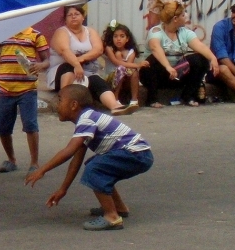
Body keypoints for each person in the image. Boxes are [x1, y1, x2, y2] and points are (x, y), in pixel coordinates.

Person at [24, 84, 154, 231]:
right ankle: (119, 208)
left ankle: (112, 217)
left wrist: (42, 170)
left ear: (74, 105)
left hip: (136, 154)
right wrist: (63, 189)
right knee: (95, 165)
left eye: (60, 100)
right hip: (138, 153)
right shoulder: (86, 120)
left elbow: (69, 151)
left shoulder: (87, 119)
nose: (57, 104)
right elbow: (76, 159)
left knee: (95, 169)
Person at [0, 27, 49, 173]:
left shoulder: (36, 35)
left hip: (27, 88)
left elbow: (47, 59)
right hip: (5, 88)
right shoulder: (3, 33)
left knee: (30, 125)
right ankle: (11, 159)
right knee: (3, 128)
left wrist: (41, 65)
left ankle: (34, 163)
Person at [46, 4, 136, 115]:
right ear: (65, 19)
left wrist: (81, 59)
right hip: (62, 72)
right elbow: (65, 51)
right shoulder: (61, 32)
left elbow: (98, 50)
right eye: (70, 15)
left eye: (77, 14)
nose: (74, 17)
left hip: (86, 71)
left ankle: (115, 106)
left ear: (83, 17)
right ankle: (64, 104)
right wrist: (77, 65)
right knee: (68, 67)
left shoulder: (89, 31)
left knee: (97, 81)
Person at [139, 0, 220, 108]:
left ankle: (187, 96)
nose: (186, 16)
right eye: (183, 14)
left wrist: (213, 58)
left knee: (201, 59)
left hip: (176, 75)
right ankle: (152, 99)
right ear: (175, 19)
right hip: (156, 76)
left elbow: (200, 46)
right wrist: (168, 66)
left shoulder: (184, 32)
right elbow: (155, 48)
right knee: (152, 59)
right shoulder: (156, 31)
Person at [102, 21, 147, 111]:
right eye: (115, 36)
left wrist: (134, 66)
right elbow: (116, 62)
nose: (118, 39)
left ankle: (134, 100)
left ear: (127, 39)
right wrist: (137, 64)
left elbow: (128, 67)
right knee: (121, 68)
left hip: (125, 78)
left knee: (133, 71)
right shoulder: (109, 48)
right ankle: (115, 98)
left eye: (122, 36)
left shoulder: (131, 51)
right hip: (111, 78)